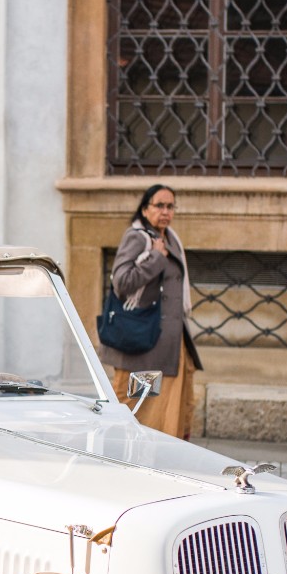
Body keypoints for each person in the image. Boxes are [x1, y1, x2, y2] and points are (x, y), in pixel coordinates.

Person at [99, 183, 201, 438]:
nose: (165, 211)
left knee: (168, 408)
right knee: (140, 406)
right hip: (143, 343)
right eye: (159, 206)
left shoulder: (171, 239)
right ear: (145, 210)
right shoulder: (138, 238)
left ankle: (164, 456)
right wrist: (155, 258)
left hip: (168, 343)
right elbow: (121, 282)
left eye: (170, 206)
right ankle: (134, 454)